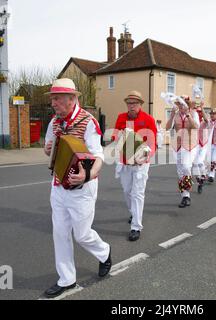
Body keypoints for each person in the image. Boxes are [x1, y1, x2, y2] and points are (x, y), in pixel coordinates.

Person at [43, 78, 111, 298]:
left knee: (82, 235)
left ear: (72, 99)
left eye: (57, 98)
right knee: (60, 233)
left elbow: (99, 156)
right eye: (52, 98)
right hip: (58, 185)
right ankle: (67, 279)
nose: (53, 103)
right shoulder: (54, 121)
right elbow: (48, 150)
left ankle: (104, 252)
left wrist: (87, 174)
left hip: (82, 188)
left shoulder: (88, 121)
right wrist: (48, 148)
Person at [112, 91, 157, 241]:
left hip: (141, 163)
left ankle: (136, 227)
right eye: (129, 103)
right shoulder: (121, 118)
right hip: (125, 161)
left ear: (140, 105)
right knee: (127, 191)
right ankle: (134, 212)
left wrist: (145, 157)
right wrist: (121, 136)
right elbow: (114, 136)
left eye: (134, 103)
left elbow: (153, 143)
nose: (131, 106)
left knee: (137, 193)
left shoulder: (148, 119)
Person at [166, 95, 200, 208]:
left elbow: (196, 127)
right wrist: (171, 115)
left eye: (183, 103)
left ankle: (187, 190)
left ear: (187, 105)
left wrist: (188, 116)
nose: (181, 105)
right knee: (180, 171)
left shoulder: (193, 114)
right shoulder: (175, 115)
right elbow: (167, 128)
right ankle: (185, 196)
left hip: (190, 145)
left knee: (186, 166)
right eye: (179, 103)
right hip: (178, 145)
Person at [192, 102, 210, 194]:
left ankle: (204, 174)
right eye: (197, 112)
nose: (199, 114)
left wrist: (202, 108)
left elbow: (207, 120)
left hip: (203, 145)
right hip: (195, 145)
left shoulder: (204, 123)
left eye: (200, 112)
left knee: (199, 162)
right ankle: (200, 182)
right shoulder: (193, 122)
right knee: (194, 164)